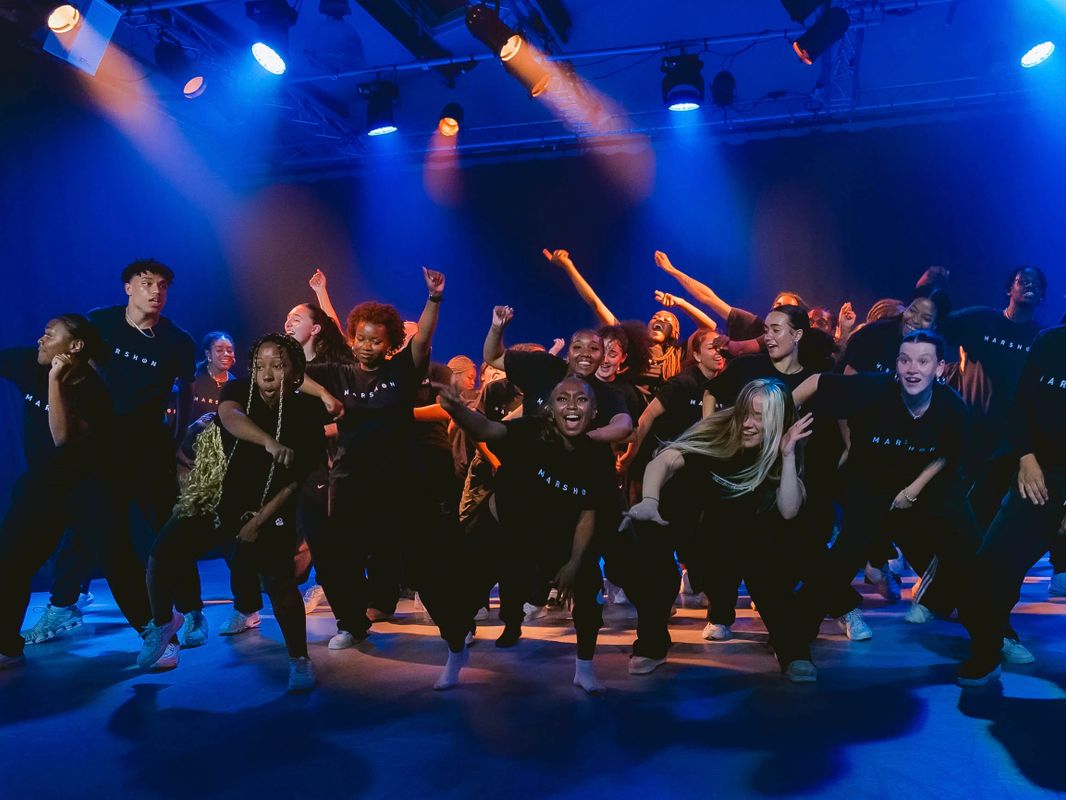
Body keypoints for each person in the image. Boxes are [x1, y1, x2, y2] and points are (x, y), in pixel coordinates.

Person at [21, 259, 197, 646]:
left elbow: (184, 395)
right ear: (128, 287)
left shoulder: (178, 341)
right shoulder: (100, 322)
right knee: (84, 528)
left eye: (163, 285)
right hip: (97, 447)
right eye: (147, 282)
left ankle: (188, 608)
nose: (156, 291)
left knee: (160, 529)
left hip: (147, 450)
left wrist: (175, 441)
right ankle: (64, 604)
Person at [137, 334, 326, 692]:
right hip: (218, 499)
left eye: (278, 365)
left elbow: (294, 480)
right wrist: (268, 441)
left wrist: (258, 521)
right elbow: (230, 416)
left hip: (268, 506)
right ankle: (165, 623)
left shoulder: (305, 412)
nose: (267, 373)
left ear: (294, 371)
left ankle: (299, 659)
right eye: (260, 366)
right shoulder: (238, 391)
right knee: (160, 555)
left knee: (279, 583)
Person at [791, 331, 983, 643]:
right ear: (896, 364)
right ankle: (795, 636)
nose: (912, 369)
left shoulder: (953, 408)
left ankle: (997, 637)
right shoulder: (873, 387)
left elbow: (949, 454)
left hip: (923, 480)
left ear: (940, 368)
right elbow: (816, 382)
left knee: (966, 547)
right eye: (905, 360)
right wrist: (778, 415)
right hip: (870, 479)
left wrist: (914, 489)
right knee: (848, 552)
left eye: (923, 361)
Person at [619, 378, 815, 680]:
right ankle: (651, 645)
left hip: (745, 525)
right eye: (745, 413)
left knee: (768, 573)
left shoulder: (786, 444)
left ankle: (792, 651)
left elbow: (789, 510)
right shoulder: (723, 426)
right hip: (695, 516)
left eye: (760, 417)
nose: (748, 423)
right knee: (654, 560)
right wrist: (649, 501)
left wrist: (787, 455)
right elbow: (665, 460)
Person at [436, 376, 619, 693]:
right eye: (563, 399)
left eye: (581, 400)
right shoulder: (532, 432)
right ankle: (456, 655)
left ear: (594, 411)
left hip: (554, 539)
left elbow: (588, 513)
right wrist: (457, 410)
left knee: (588, 591)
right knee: (458, 601)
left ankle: (584, 671)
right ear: (551, 409)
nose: (572, 406)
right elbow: (486, 429)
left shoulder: (597, 455)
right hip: (499, 531)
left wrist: (574, 563)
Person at [303, 267, 446, 649]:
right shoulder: (337, 372)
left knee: (409, 552)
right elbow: (293, 372)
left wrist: (433, 299)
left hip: (398, 478)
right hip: (350, 478)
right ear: (352, 339)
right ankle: (351, 623)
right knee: (344, 554)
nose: (367, 346)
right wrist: (323, 395)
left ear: (390, 344)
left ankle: (452, 622)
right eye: (361, 339)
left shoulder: (402, 372)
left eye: (376, 341)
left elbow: (425, 338)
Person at [0, 315, 151, 668]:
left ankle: (159, 633)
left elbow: (61, 437)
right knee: (10, 563)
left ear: (75, 346)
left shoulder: (93, 390)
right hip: (43, 487)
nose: (41, 339)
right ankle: (7, 644)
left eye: (50, 334)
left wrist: (54, 378)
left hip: (88, 487)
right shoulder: (27, 363)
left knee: (117, 561)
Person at [956, 324, 1066, 686]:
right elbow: (1020, 404)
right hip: (1041, 470)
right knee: (993, 564)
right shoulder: (1051, 341)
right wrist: (1026, 456)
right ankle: (988, 649)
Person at [543, 248, 685, 399]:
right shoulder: (630, 341)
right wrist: (568, 266)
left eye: (667, 320)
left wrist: (681, 302)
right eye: (656, 317)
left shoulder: (678, 354)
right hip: (630, 408)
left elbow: (709, 326)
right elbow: (596, 304)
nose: (660, 320)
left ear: (674, 331)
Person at [190, 332, 236, 420]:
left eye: (229, 351)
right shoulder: (192, 375)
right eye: (219, 350)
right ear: (208, 354)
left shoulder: (234, 386)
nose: (226, 354)